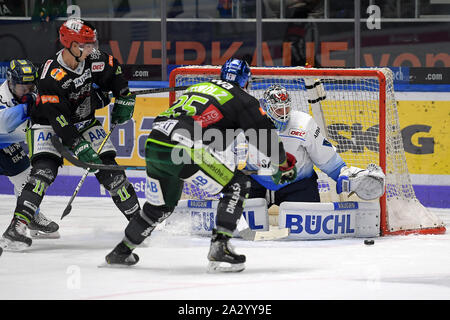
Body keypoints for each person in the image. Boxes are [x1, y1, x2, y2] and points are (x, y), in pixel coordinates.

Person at [104, 58, 297, 272]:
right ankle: (220, 247)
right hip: (184, 146)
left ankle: (121, 251)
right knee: (238, 185)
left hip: (155, 141)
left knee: (159, 207)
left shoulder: (198, 87)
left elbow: (211, 131)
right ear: (246, 81)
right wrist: (281, 161)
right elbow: (265, 135)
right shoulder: (243, 97)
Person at [1, 18, 141, 250]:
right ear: (71, 45)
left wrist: (124, 95)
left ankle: (139, 221)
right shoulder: (49, 76)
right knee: (42, 173)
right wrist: (79, 146)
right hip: (48, 124)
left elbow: (114, 70)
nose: (91, 49)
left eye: (91, 43)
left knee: (111, 172)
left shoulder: (93, 59)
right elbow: (59, 121)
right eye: (86, 44)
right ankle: (16, 228)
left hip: (84, 121)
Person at [246, 84, 386, 207]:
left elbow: (325, 158)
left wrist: (345, 176)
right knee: (237, 230)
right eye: (279, 110)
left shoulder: (303, 123)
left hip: (297, 185)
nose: (284, 115)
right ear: (267, 108)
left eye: (286, 108)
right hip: (256, 183)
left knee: (306, 235)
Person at [0, 59, 60, 251]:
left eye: (30, 86)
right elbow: (4, 124)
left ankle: (31, 216)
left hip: (6, 146)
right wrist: (28, 107)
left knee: (27, 181)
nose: (27, 90)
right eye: (22, 87)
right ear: (10, 82)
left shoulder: (33, 92)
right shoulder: (2, 96)